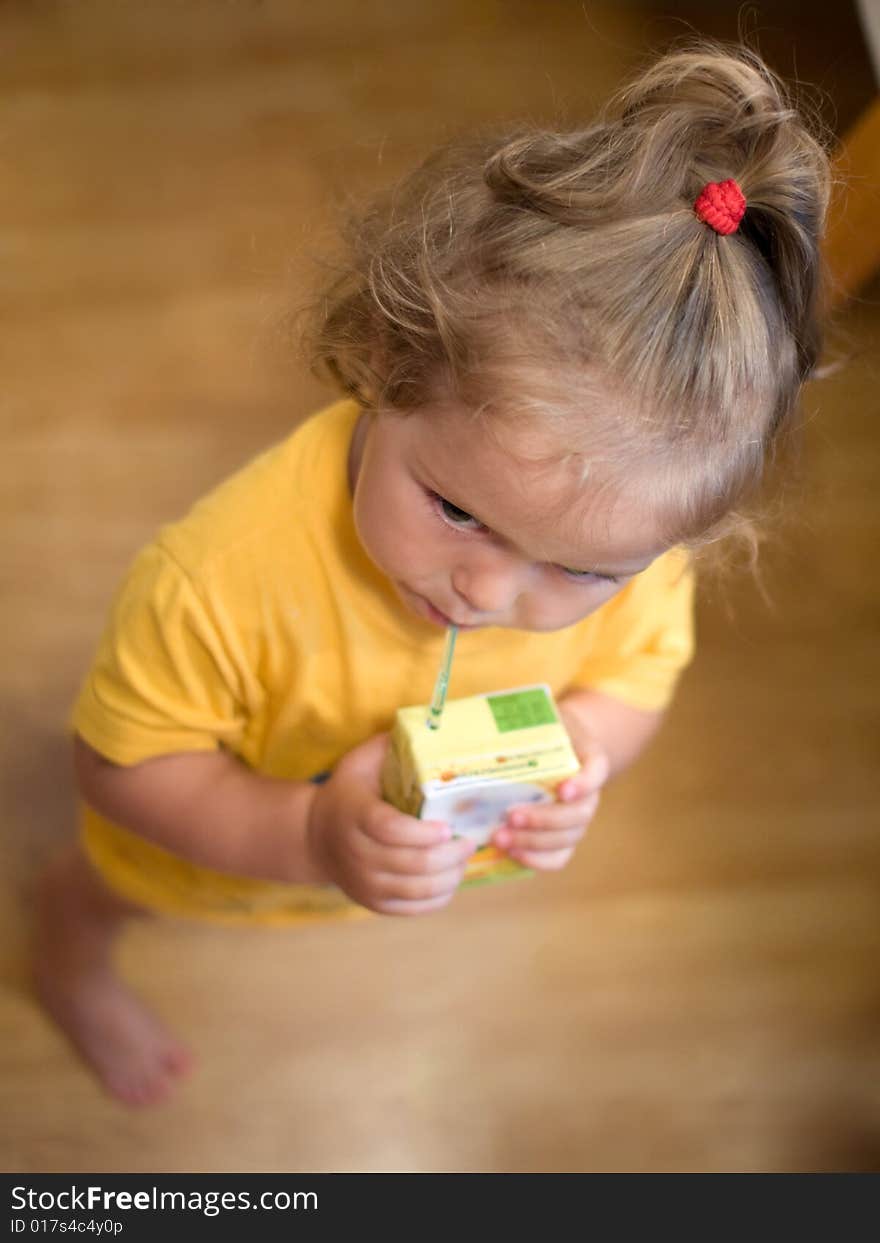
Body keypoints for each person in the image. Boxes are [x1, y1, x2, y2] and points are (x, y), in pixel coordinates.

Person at [33, 42, 831, 1106]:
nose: (487, 593)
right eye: (454, 509)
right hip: (198, 852)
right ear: (381, 357)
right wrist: (307, 835)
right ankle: (62, 959)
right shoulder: (215, 581)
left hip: (346, 868)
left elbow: (636, 678)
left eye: (581, 571)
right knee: (100, 894)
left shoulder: (638, 571)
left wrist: (584, 752)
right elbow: (117, 770)